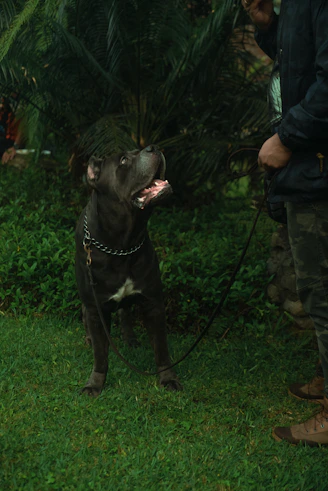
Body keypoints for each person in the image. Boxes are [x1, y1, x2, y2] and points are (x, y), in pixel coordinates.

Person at [242, 0, 328, 446]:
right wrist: (268, 25)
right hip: (305, 171)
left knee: (324, 290)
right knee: (317, 288)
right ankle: (323, 379)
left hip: (317, 166)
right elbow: (297, 62)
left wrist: (286, 137)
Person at [0, 97, 21, 164]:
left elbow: (23, 129)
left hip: (13, 142)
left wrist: (15, 146)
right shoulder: (4, 110)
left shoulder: (17, 108)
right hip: (6, 139)